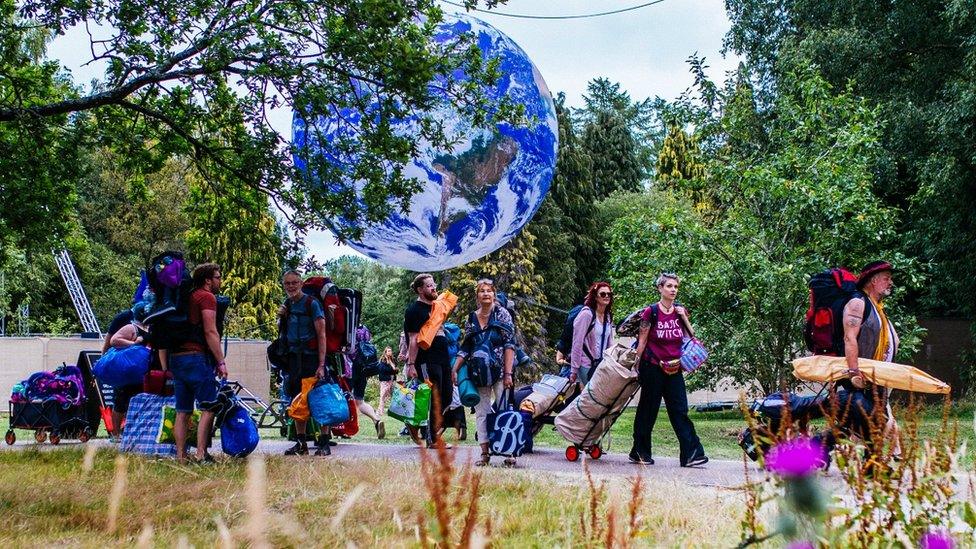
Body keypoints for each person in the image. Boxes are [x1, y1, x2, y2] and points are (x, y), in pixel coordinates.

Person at [630, 273, 708, 467]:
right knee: (648, 411)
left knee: (680, 410)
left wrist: (682, 316)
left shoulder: (680, 312)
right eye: (669, 286)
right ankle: (640, 452)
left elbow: (691, 336)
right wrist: (635, 366)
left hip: (674, 369)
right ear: (660, 288)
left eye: (675, 287)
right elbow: (643, 340)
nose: (673, 290)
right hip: (652, 368)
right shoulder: (651, 312)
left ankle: (691, 454)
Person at [451, 279, 515, 466]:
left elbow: (509, 344)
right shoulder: (471, 318)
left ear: (494, 294)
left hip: (501, 370)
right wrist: (454, 369)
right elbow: (466, 347)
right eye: (482, 291)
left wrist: (509, 373)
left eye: (489, 291)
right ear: (477, 296)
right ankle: (485, 453)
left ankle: (508, 451)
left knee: (504, 410)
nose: (486, 294)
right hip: (478, 372)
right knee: (482, 412)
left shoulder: (502, 314)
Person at [170, 262, 228, 464]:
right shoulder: (206, 297)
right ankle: (201, 454)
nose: (220, 281)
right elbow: (210, 331)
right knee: (208, 407)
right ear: (207, 280)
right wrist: (220, 361)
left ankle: (180, 456)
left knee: (183, 411)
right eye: (218, 277)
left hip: (177, 358)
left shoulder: (185, 296)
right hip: (197, 357)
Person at [840, 260, 900, 452]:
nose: (890, 283)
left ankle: (872, 460)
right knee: (875, 421)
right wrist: (854, 372)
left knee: (864, 424)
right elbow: (849, 338)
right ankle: (888, 458)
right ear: (873, 281)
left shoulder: (878, 308)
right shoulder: (858, 303)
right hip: (862, 379)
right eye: (886, 279)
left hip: (877, 379)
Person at [278, 270, 332, 456]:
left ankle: (324, 443)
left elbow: (322, 335)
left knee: (319, 399)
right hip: (294, 359)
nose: (291, 286)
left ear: (301, 283)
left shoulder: (312, 304)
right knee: (297, 400)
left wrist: (321, 364)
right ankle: (301, 444)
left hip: (312, 358)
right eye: (287, 283)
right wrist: (282, 318)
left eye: (294, 282)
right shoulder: (287, 305)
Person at [403, 273, 453, 448]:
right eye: (429, 285)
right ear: (420, 289)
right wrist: (411, 364)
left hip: (443, 358)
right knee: (434, 397)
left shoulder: (436, 307)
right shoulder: (414, 310)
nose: (434, 288)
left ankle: (413, 422)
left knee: (447, 396)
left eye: (434, 284)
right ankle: (433, 438)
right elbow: (413, 338)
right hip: (426, 360)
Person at [101, 305, 150, 441]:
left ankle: (134, 431)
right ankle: (115, 434)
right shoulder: (131, 327)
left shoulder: (148, 328)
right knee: (121, 402)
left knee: (138, 401)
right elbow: (114, 340)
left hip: (140, 373)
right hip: (126, 372)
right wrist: (134, 343)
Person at [569, 283, 616, 385]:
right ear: (595, 296)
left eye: (609, 294)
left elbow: (609, 342)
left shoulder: (607, 316)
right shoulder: (586, 314)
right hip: (586, 364)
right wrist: (574, 369)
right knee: (592, 396)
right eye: (603, 294)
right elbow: (577, 342)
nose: (607, 296)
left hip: (601, 364)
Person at [349, 324, 386, 439]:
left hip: (350, 368)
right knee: (360, 401)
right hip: (364, 369)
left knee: (344, 398)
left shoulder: (349, 328)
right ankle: (376, 419)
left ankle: (343, 430)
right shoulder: (364, 329)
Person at [377, 347, 398, 416]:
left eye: (390, 351)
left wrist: (394, 370)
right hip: (385, 380)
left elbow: (396, 370)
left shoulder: (393, 359)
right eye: (388, 351)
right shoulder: (383, 360)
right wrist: (393, 370)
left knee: (394, 395)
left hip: (392, 380)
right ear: (385, 352)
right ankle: (380, 411)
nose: (390, 352)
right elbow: (383, 370)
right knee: (383, 396)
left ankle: (395, 411)